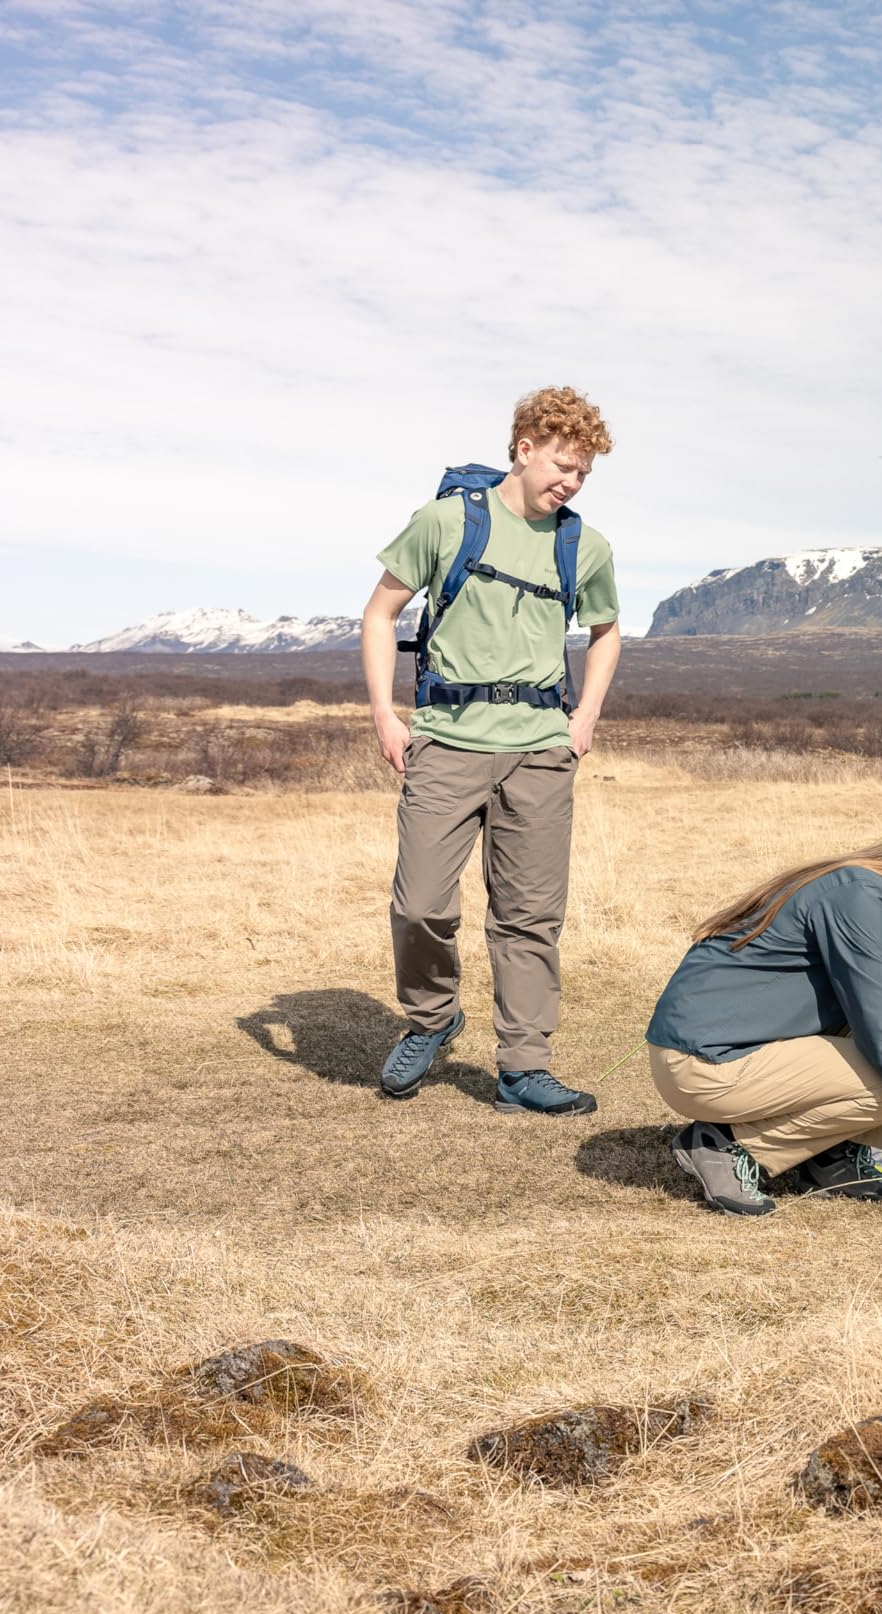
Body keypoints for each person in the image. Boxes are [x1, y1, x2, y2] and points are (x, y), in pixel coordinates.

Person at [360, 386, 622, 1113]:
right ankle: (433, 1018)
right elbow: (380, 613)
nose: (572, 482)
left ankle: (523, 1070)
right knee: (419, 905)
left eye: (584, 472)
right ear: (524, 449)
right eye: (563, 465)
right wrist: (385, 714)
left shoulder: (585, 546)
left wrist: (585, 716)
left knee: (529, 917)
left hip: (541, 751)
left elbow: (606, 632)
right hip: (446, 742)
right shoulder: (446, 521)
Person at [644, 782, 882, 1215]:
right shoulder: (859, 898)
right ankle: (723, 1145)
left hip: (754, 1046)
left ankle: (831, 1160)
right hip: (703, 1063)